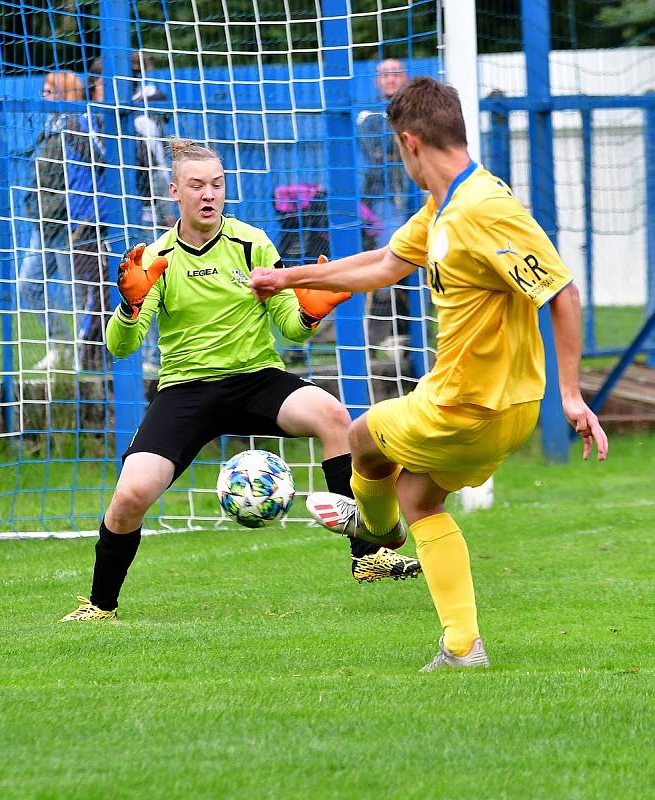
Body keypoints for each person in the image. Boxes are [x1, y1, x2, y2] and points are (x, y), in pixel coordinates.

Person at [250, 76, 609, 670]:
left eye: (396, 146)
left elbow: (562, 292)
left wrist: (571, 395)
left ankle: (373, 531)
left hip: (466, 405)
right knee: (418, 494)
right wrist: (290, 278)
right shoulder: (443, 206)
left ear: (410, 142)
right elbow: (388, 262)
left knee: (359, 435)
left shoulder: (484, 208)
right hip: (500, 409)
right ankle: (463, 647)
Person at [60, 139, 422, 622]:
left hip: (256, 380)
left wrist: (311, 313)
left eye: (217, 184)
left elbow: (290, 326)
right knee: (130, 496)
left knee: (334, 416)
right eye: (196, 185)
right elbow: (120, 347)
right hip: (186, 391)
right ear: (175, 192)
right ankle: (100, 604)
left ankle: (369, 556)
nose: (208, 194)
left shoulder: (252, 243)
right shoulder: (155, 260)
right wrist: (129, 306)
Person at [89, 54, 175, 373]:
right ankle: (141, 355)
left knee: (147, 286)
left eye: (98, 83)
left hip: (144, 214)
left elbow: (156, 168)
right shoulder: (109, 119)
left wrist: (167, 210)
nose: (94, 89)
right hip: (123, 215)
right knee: (131, 287)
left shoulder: (139, 120)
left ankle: (154, 357)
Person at [19, 71, 109, 371]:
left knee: (80, 294)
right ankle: (59, 346)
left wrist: (84, 218)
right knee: (28, 285)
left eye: (49, 91)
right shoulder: (50, 125)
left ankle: (92, 354)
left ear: (66, 94)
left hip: (70, 223)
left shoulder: (79, 124)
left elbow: (96, 170)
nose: (44, 97)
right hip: (44, 223)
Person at [357, 58, 411, 352]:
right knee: (386, 260)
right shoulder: (369, 118)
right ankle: (382, 332)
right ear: (377, 81)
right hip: (381, 204)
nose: (390, 80)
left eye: (395, 74)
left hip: (410, 201)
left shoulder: (416, 114)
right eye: (384, 75)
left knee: (409, 266)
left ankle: (407, 330)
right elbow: (381, 156)